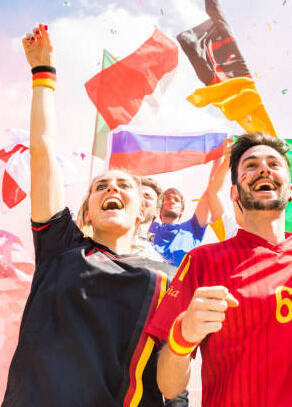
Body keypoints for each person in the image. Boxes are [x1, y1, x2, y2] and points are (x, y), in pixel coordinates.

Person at [2, 24, 175, 406]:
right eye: (100, 187)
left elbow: (171, 371)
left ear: (141, 211)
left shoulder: (167, 278)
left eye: (123, 186)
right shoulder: (61, 246)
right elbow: (43, 152)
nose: (111, 189)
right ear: (87, 213)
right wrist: (42, 74)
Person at [145, 132, 292, 406]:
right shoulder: (201, 262)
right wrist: (184, 335)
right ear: (235, 194)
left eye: (274, 164)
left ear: (291, 191)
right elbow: (168, 387)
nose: (263, 168)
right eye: (250, 165)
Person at [150, 144, 231, 267]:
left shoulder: (192, 228)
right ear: (159, 208)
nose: (172, 201)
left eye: (176, 200)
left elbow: (211, 190)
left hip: (182, 285)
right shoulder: (148, 227)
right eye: (167, 199)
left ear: (182, 210)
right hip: (152, 284)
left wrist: (220, 157)